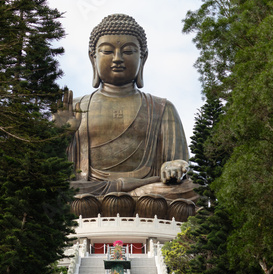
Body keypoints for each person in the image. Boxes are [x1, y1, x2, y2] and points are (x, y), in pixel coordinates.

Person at [54, 14, 195, 200]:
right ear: (92, 57)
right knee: (54, 191)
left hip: (147, 190)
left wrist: (174, 166)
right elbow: (50, 169)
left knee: (191, 188)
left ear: (143, 58)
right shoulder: (75, 107)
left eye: (128, 52)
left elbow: (178, 162)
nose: (118, 58)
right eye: (107, 51)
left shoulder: (162, 108)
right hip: (89, 190)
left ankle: (132, 198)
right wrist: (61, 135)